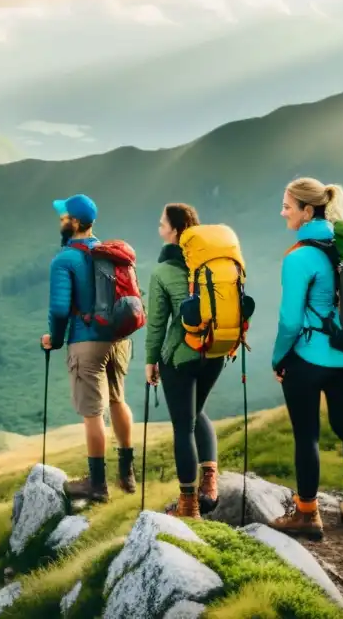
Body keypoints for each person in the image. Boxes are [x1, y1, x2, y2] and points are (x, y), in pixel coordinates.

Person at [269, 177, 343, 540]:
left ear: (307, 210)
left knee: (307, 435)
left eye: (287, 206)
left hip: (309, 360)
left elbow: (290, 320)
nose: (282, 212)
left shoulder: (300, 257)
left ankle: (307, 514)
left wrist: (279, 359)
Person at [41, 193, 136, 502]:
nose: (60, 221)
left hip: (87, 343)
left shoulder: (65, 259)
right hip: (119, 340)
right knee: (118, 400)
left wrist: (54, 340)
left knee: (93, 413)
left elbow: (58, 310)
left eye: (64, 217)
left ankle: (97, 485)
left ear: (76, 222)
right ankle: (127, 474)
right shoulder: (108, 253)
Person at [145, 203, 224, 520]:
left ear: (175, 230)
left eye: (163, 223)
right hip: (216, 353)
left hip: (181, 357)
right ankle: (210, 482)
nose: (159, 227)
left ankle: (189, 505)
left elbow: (156, 325)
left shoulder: (163, 271)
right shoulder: (213, 263)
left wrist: (151, 361)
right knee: (197, 411)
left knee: (183, 427)